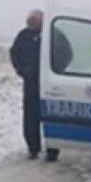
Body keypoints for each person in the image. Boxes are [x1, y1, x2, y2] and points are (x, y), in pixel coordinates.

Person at [10, 9, 62, 162]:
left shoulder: (53, 35)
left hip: (50, 82)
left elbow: (66, 52)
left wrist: (58, 69)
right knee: (30, 117)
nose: (31, 22)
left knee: (51, 116)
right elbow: (14, 53)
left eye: (35, 19)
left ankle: (53, 150)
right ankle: (33, 148)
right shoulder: (23, 35)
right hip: (31, 82)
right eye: (30, 19)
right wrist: (21, 70)